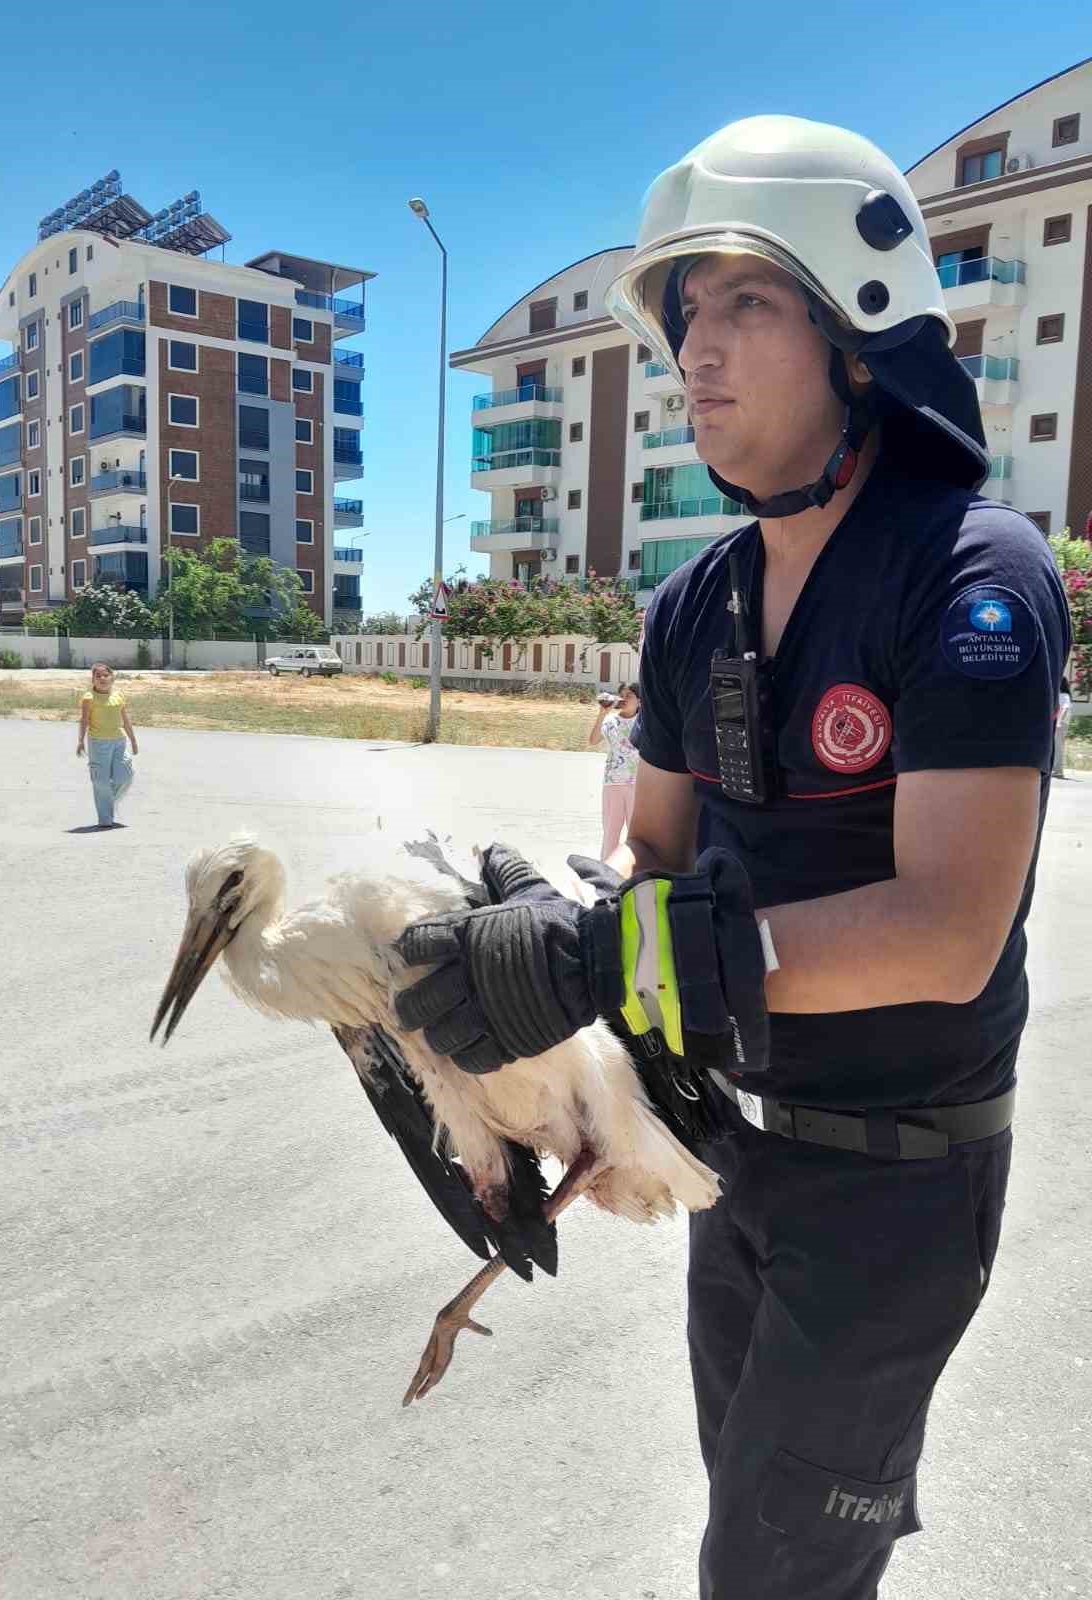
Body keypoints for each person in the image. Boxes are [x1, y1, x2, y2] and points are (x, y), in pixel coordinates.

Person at [392, 115, 1070, 1599]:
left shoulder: (975, 573)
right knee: (774, 1544)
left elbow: (948, 930)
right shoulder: (690, 607)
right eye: (684, 311)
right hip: (733, 1159)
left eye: (745, 303)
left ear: (855, 333)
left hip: (899, 1189)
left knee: (763, 1574)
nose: (695, 348)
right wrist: (542, 943)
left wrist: (602, 957)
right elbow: (649, 861)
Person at [75, 663, 137, 828]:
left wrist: (133, 740)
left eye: (106, 675)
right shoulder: (89, 698)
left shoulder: (118, 696)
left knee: (125, 775)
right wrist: (80, 741)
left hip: (118, 741)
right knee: (101, 782)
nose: (102, 678)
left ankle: (109, 799)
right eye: (98, 676)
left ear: (112, 678)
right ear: (93, 680)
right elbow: (84, 720)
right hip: (98, 743)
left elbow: (125, 720)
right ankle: (105, 820)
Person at [590, 682, 641, 860]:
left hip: (637, 785)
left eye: (629, 696)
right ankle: (605, 873)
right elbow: (593, 740)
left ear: (640, 701)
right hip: (613, 783)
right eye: (622, 695)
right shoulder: (611, 722)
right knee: (611, 832)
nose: (624, 699)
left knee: (636, 835)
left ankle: (635, 872)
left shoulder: (644, 723)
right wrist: (603, 713)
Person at [1053, 673, 1073, 777]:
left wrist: (1059, 722)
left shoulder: (1065, 696)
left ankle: (1058, 771)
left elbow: (1065, 708)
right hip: (1057, 723)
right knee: (1055, 747)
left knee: (1058, 747)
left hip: (1061, 724)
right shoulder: (1059, 695)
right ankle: (1055, 769)